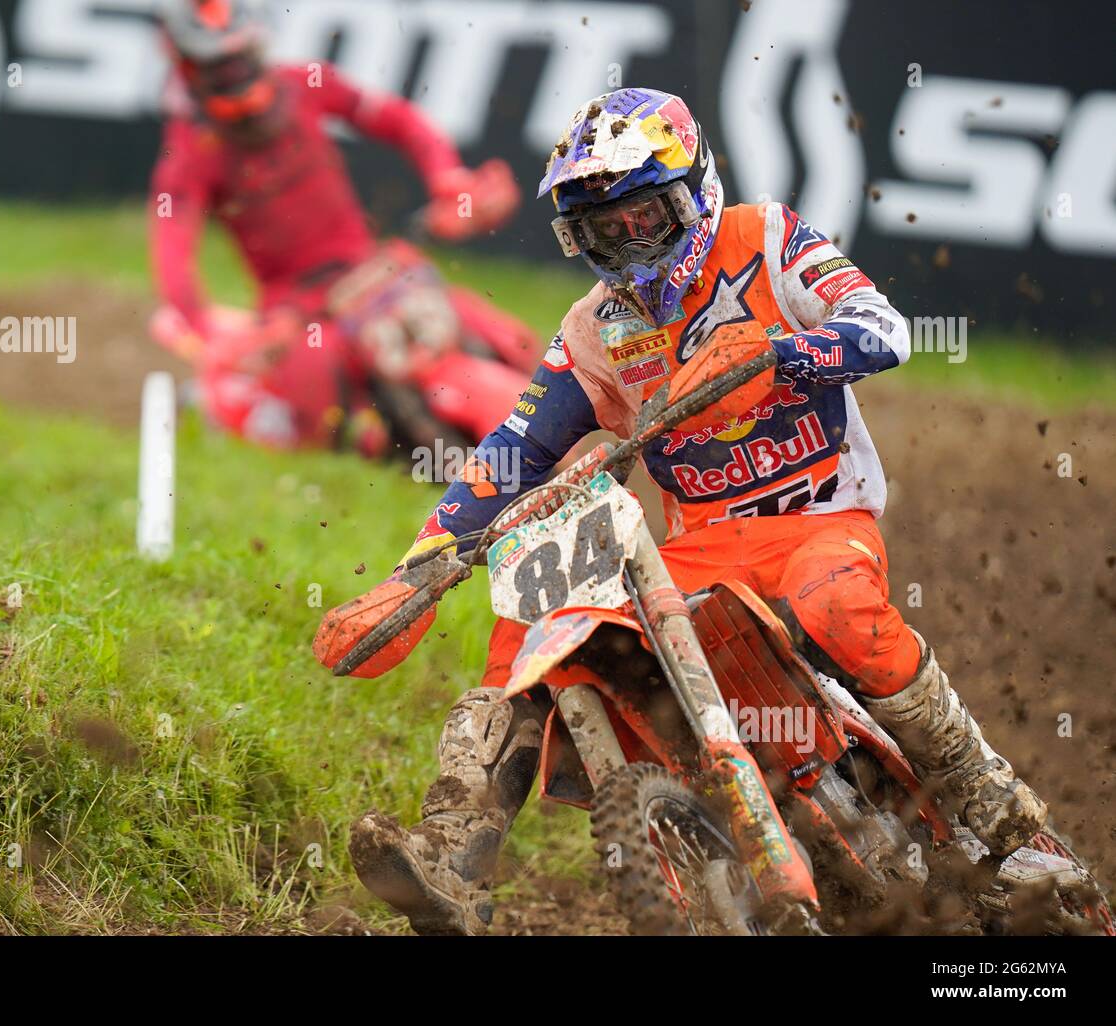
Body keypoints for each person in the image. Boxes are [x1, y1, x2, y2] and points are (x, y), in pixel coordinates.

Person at [314, 87, 1048, 935]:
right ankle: (454, 854)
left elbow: (883, 328)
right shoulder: (594, 329)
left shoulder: (767, 238)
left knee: (836, 607)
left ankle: (991, 801)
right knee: (532, 626)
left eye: (646, 219)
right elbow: (513, 455)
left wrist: (783, 355)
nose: (630, 248)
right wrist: (418, 570)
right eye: (603, 233)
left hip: (819, 523)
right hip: (697, 549)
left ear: (695, 191)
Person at [150, 0, 526, 451]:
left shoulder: (305, 84)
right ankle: (228, 398)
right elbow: (172, 251)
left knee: (511, 343)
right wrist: (205, 334)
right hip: (296, 309)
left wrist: (448, 178)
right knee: (315, 420)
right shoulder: (191, 152)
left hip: (374, 270)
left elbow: (400, 121)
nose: (237, 78)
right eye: (220, 68)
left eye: (241, 61)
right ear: (190, 70)